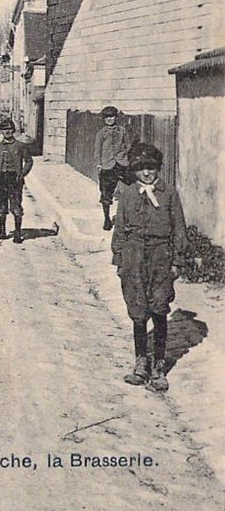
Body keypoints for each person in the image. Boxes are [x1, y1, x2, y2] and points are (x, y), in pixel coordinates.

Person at [111, 141, 186, 392]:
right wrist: (119, 259)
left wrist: (177, 262)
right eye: (142, 168)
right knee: (138, 309)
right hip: (133, 255)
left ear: (158, 168)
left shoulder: (169, 194)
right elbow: (120, 229)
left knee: (159, 306)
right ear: (134, 170)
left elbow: (179, 230)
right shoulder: (129, 193)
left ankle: (159, 367)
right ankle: (141, 362)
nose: (147, 173)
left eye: (151, 168)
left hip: (160, 255)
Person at [0, 117, 33, 244]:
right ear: (1, 131)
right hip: (1, 179)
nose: (7, 132)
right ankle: (2, 232)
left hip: (15, 179)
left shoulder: (20, 146)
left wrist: (22, 174)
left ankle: (18, 234)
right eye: (4, 129)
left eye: (9, 129)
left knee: (16, 205)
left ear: (13, 130)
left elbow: (29, 161)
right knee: (1, 205)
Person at [94, 105, 132, 231]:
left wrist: (123, 154)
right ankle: (106, 219)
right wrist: (99, 164)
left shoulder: (122, 130)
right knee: (106, 193)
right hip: (107, 165)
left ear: (116, 117)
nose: (110, 119)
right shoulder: (101, 133)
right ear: (104, 119)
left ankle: (129, 218)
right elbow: (97, 150)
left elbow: (128, 144)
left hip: (121, 164)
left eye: (112, 116)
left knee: (130, 189)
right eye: (107, 117)